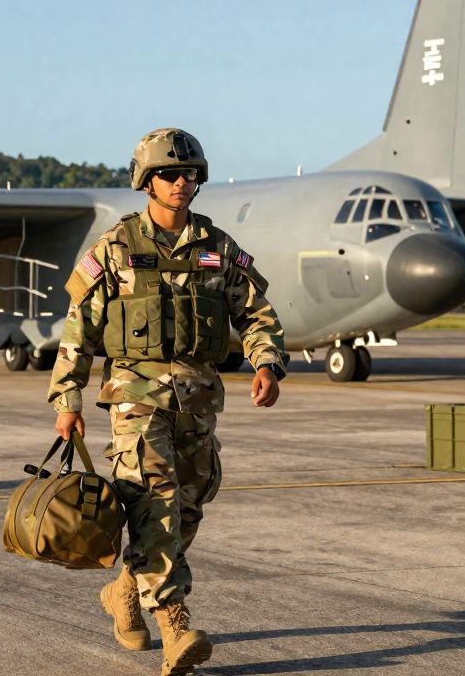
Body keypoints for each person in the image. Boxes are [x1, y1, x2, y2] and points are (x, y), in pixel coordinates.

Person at [47, 128, 288, 675]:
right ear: (146, 181)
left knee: (188, 506)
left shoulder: (217, 248)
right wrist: (68, 398)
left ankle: (126, 590)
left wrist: (267, 362)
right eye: (170, 174)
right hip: (135, 399)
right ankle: (175, 623)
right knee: (154, 499)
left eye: (191, 175)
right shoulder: (115, 248)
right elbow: (77, 330)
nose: (182, 183)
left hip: (199, 401)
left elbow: (256, 313)